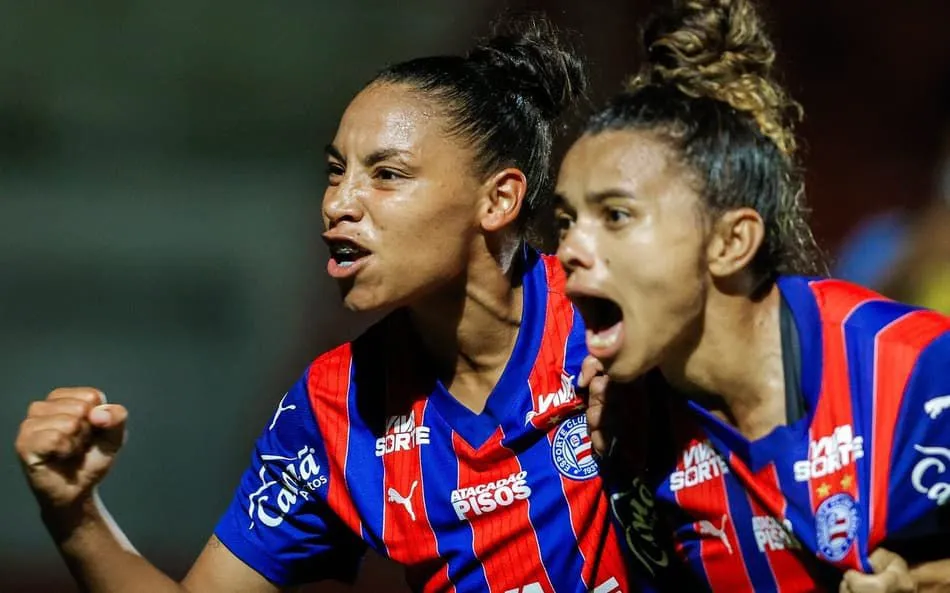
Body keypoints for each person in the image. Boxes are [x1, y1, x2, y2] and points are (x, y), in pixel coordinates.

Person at [15, 17, 635, 593]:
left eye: (387, 174)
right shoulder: (334, 407)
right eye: (336, 171)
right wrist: (73, 512)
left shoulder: (618, 317)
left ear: (498, 200)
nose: (338, 203)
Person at [552, 0, 950, 591]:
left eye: (615, 215)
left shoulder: (913, 370)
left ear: (731, 242)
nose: (569, 249)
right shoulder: (617, 424)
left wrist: (922, 583)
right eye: (565, 220)